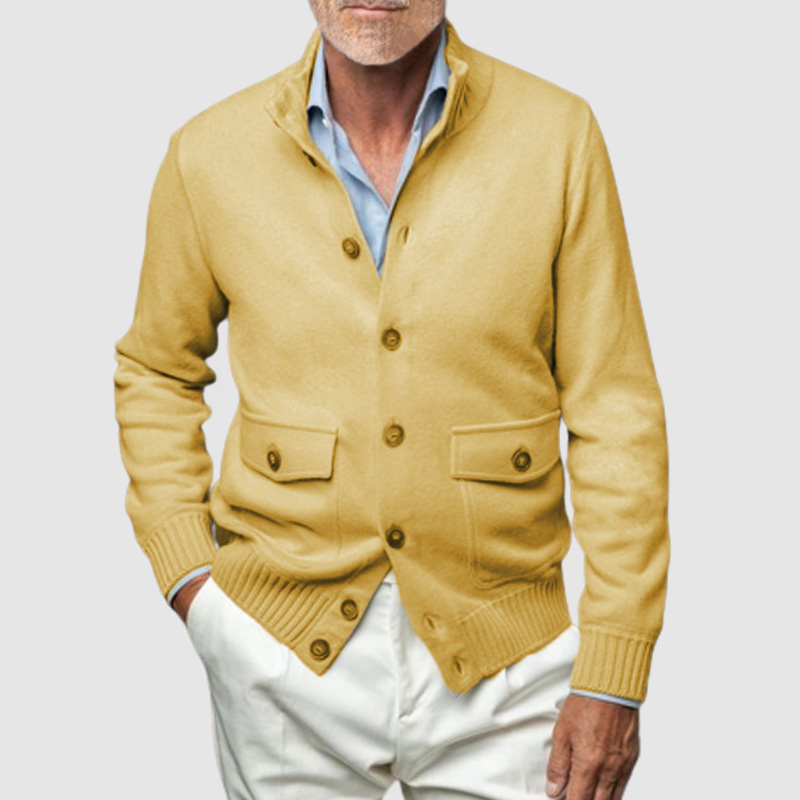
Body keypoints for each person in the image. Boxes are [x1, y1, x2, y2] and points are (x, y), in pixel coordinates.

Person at [114, 2, 670, 798]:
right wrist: (192, 586)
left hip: (509, 662)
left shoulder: (558, 138)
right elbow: (156, 369)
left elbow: (616, 410)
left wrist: (614, 670)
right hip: (279, 651)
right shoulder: (208, 154)